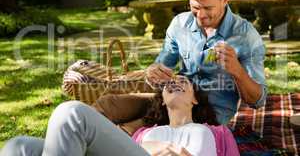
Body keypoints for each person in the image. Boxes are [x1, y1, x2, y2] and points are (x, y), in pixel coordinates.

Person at [145, 0, 267, 124]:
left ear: (225, 0)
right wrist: (152, 73)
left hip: (210, 120)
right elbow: (161, 67)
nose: (201, 16)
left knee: (134, 133)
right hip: (171, 107)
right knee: (110, 105)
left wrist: (237, 71)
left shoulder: (246, 36)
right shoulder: (179, 24)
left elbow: (258, 100)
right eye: (195, 7)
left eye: (208, 8)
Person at [0, 76, 238, 156]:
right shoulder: (145, 132)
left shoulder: (218, 132)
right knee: (19, 147)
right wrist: (156, 147)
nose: (174, 83)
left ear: (195, 99)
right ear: (162, 100)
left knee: (71, 114)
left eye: (182, 82)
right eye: (168, 83)